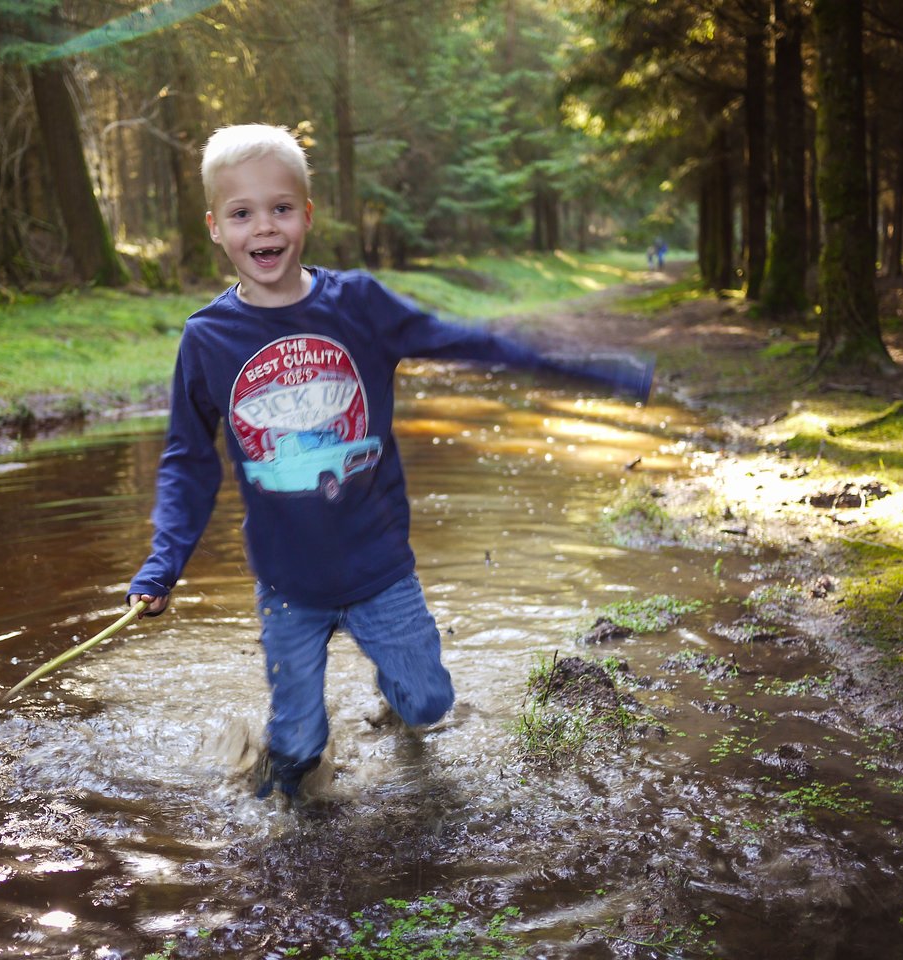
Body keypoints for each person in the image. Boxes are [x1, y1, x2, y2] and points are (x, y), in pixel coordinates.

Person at [126, 123, 654, 800]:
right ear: (215, 228)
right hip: (289, 585)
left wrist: (585, 371)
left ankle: (395, 706)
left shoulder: (358, 305)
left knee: (429, 706)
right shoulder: (209, 338)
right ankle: (277, 826)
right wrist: (163, 563)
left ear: (307, 215)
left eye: (281, 208)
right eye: (242, 213)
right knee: (294, 757)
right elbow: (187, 460)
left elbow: (463, 341)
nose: (265, 227)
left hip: (380, 569)